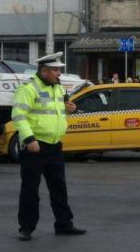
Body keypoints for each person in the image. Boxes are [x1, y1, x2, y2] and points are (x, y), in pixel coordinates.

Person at [11, 52, 85, 241]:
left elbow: (57, 113)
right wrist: (29, 140)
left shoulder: (58, 88)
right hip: (35, 147)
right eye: (55, 70)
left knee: (59, 188)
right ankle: (26, 228)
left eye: (59, 70)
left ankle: (64, 225)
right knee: (30, 190)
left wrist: (70, 109)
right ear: (44, 71)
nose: (59, 74)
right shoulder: (28, 89)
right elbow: (19, 116)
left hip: (54, 146)